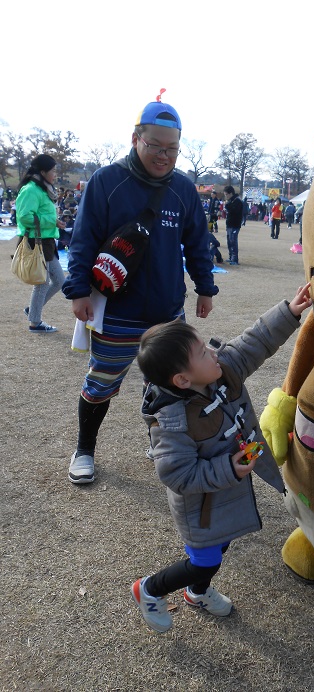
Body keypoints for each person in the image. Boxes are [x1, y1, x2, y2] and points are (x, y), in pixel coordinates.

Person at [131, 282, 313, 632]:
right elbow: (178, 475)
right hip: (201, 505)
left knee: (222, 545)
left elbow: (254, 343)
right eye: (201, 353)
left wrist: (289, 312)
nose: (212, 353)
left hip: (227, 493)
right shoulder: (172, 421)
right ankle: (149, 589)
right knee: (204, 560)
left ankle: (196, 594)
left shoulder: (222, 369)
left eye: (204, 345)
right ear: (183, 380)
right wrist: (227, 468)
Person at [62, 95, 219, 485]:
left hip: (167, 313)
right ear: (135, 139)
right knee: (101, 383)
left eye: (173, 149)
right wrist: (78, 290)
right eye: (156, 147)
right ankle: (84, 449)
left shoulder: (183, 189)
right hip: (117, 311)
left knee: (169, 385)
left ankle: (163, 444)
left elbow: (198, 242)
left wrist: (205, 287)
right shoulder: (106, 182)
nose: (164, 156)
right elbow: (83, 239)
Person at [16, 154, 67, 333]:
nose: (55, 174)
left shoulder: (43, 188)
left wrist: (55, 222)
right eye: (53, 171)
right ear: (43, 172)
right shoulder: (31, 190)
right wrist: (50, 221)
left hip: (46, 241)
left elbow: (42, 215)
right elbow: (24, 217)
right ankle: (35, 322)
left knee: (60, 281)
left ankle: (32, 311)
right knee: (42, 283)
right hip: (35, 241)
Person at [223, 185, 243, 265]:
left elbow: (234, 212)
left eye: (226, 194)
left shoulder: (237, 201)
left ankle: (235, 259)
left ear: (230, 193)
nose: (225, 196)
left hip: (235, 225)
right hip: (229, 224)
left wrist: (227, 207)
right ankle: (231, 257)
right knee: (229, 241)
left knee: (233, 241)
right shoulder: (230, 201)